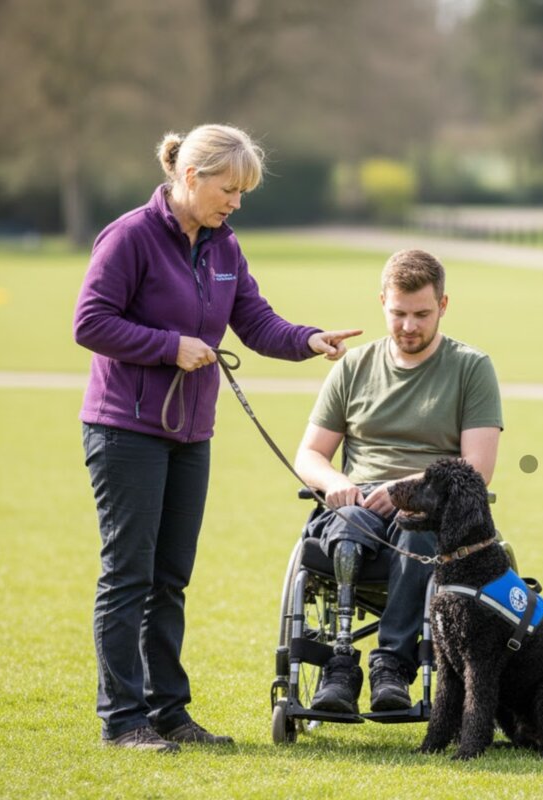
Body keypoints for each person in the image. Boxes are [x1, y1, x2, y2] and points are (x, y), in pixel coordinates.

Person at [74, 123, 361, 752]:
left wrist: (306, 340)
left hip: (190, 433)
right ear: (190, 177)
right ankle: (123, 721)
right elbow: (90, 322)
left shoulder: (224, 246)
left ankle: (168, 713)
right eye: (228, 189)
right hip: (126, 430)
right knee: (128, 575)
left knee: (170, 578)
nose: (235, 202)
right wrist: (168, 347)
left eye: (242, 193)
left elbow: (252, 318)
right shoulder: (130, 237)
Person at [294, 248, 503, 714]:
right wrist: (335, 483)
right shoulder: (353, 367)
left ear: (443, 306)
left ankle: (391, 665)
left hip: (427, 512)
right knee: (346, 521)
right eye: (398, 313)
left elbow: (477, 468)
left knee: (422, 531)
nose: (409, 326)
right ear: (382, 303)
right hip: (356, 507)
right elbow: (308, 454)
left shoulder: (471, 368)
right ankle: (340, 666)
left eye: (422, 314)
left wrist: (405, 488)